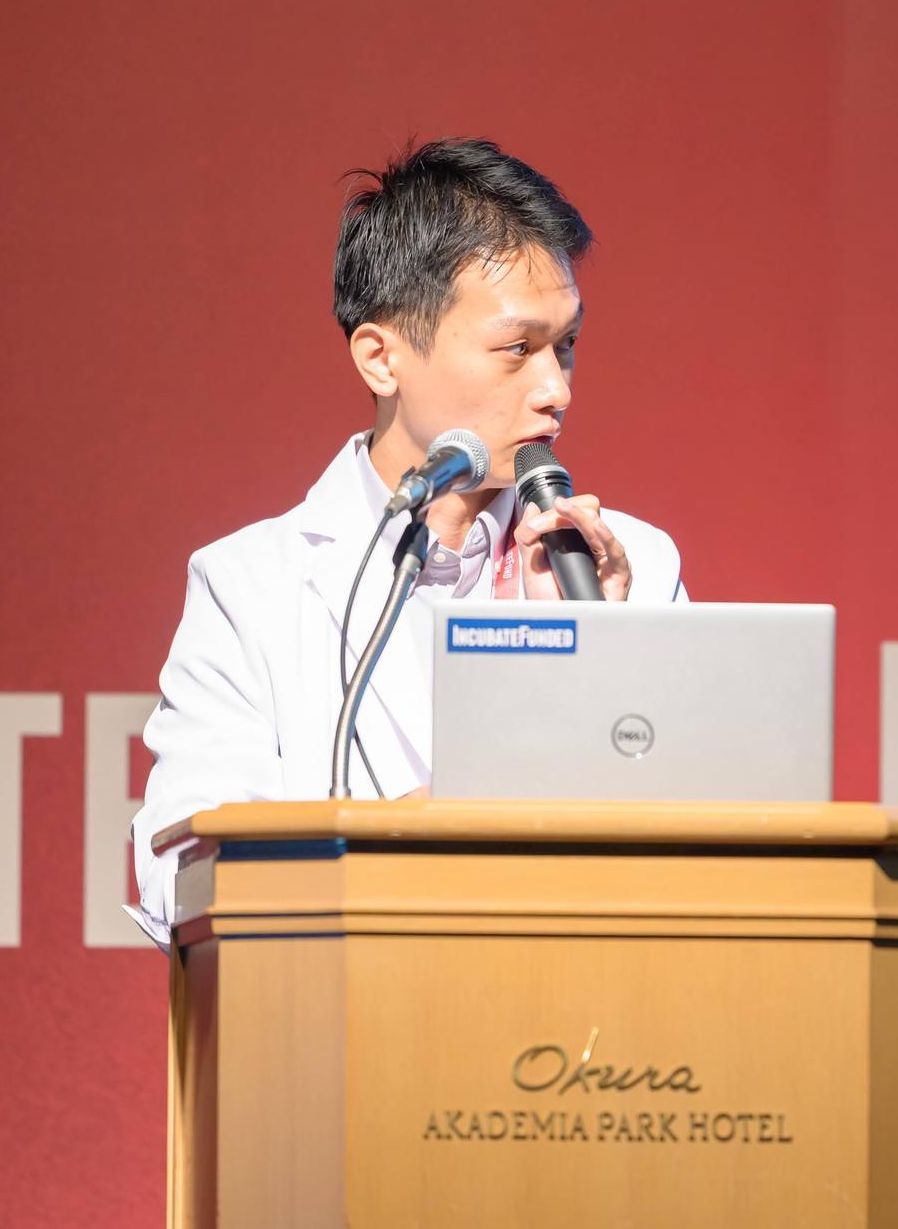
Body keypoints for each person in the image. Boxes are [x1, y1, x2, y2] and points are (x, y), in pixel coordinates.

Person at [128, 138, 688, 945]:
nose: (556, 389)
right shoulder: (250, 587)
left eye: (565, 345)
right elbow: (179, 875)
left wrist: (591, 646)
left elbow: (692, 839)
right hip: (349, 1011)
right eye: (517, 349)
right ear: (381, 359)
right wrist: (409, 843)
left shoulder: (628, 566)